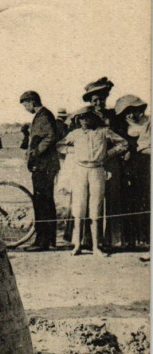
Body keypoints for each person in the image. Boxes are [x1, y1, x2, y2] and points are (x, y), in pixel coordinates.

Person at [57, 107, 127, 257]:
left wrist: (107, 154)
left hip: (97, 170)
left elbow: (123, 144)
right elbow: (60, 146)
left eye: (87, 117)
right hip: (80, 170)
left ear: (93, 118)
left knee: (96, 208)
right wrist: (73, 152)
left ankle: (96, 246)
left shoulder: (104, 131)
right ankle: (77, 245)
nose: (84, 121)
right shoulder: (75, 134)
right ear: (77, 120)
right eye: (81, 118)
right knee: (79, 208)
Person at [82, 77, 124, 248]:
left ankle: (111, 240)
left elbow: (123, 140)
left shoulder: (114, 117)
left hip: (111, 163)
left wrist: (110, 153)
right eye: (95, 100)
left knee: (112, 199)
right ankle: (87, 240)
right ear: (91, 102)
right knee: (89, 199)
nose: (99, 102)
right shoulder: (85, 117)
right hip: (91, 165)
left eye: (102, 99)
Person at [19, 91, 59, 251]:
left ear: (31, 102)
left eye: (25, 104)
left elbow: (50, 136)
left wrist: (35, 153)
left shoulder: (43, 115)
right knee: (45, 202)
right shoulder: (43, 115)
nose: (25, 108)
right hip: (44, 166)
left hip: (44, 166)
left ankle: (42, 241)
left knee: (42, 203)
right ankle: (48, 240)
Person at [115, 95, 151, 248]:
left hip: (144, 166)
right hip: (126, 168)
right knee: (128, 201)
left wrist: (133, 152)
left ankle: (146, 238)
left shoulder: (147, 124)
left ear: (139, 110)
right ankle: (130, 239)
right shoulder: (123, 127)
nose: (130, 116)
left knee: (144, 200)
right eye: (127, 113)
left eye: (133, 111)